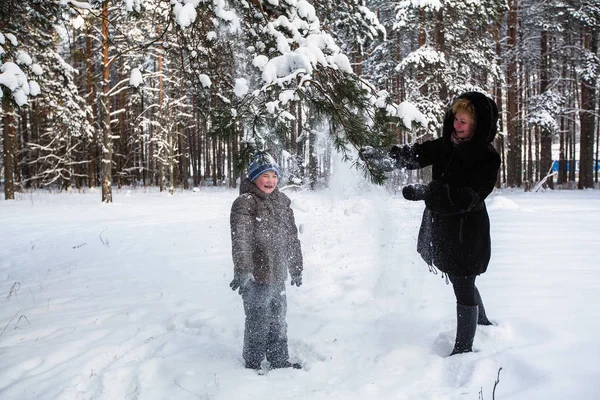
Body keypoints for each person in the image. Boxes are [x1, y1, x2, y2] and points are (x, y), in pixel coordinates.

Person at [389, 91, 500, 356]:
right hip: (442, 225)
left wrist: (428, 192)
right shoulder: (444, 145)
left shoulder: (486, 157)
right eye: (454, 119)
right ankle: (482, 320)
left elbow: (470, 197)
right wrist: (386, 158)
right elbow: (415, 155)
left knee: (463, 280)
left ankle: (463, 349)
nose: (456, 125)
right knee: (458, 276)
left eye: (463, 122)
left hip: (467, 230)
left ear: (477, 125)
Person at [229, 153, 303, 370]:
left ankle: (279, 360)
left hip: (278, 274)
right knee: (258, 320)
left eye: (274, 175)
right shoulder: (245, 203)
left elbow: (291, 237)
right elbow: (240, 239)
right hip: (255, 277)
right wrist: (243, 270)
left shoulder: (282, 202)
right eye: (264, 175)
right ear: (253, 178)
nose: (270, 180)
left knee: (278, 320)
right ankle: (252, 363)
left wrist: (296, 267)